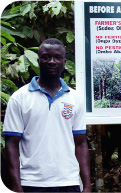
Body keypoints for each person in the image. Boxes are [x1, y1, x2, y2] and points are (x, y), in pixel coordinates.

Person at [3, 38, 91, 192]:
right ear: (38, 60)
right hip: (31, 183)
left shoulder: (75, 98)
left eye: (57, 57)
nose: (52, 61)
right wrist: (16, 186)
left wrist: (88, 185)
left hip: (68, 182)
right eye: (46, 57)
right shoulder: (19, 98)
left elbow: (81, 143)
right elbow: (11, 144)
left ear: (64, 62)